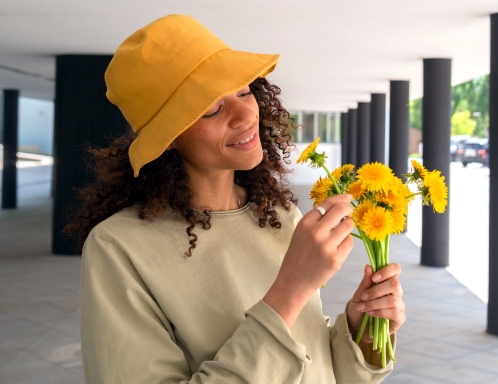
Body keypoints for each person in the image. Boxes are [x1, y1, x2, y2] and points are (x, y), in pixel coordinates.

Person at [67, 14, 405, 383]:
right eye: (211, 108)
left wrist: (361, 329)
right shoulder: (118, 248)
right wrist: (290, 291)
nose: (246, 114)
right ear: (168, 137)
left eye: (244, 91)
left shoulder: (280, 215)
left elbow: (310, 366)